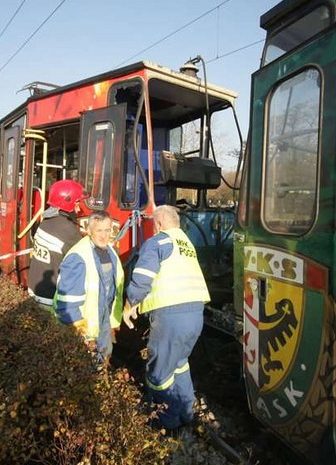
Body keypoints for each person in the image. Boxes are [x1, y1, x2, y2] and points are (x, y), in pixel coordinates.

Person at [122, 205, 209, 431]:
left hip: (171, 316)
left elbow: (142, 277)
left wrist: (131, 302)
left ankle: (166, 425)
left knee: (159, 372)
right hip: (196, 314)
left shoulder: (158, 241)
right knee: (179, 363)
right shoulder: (187, 243)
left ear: (158, 224)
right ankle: (187, 413)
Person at [53, 211, 124, 365]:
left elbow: (112, 291)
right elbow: (67, 302)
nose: (104, 235)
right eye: (99, 230)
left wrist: (112, 322)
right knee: (84, 371)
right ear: (89, 230)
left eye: (107, 230)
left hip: (102, 326)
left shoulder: (110, 251)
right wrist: (79, 333)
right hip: (86, 332)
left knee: (102, 365)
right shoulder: (78, 257)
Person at [27, 179, 85, 307]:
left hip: (34, 289)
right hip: (50, 297)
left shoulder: (46, 222)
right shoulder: (67, 230)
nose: (79, 208)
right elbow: (85, 258)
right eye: (77, 203)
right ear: (68, 203)